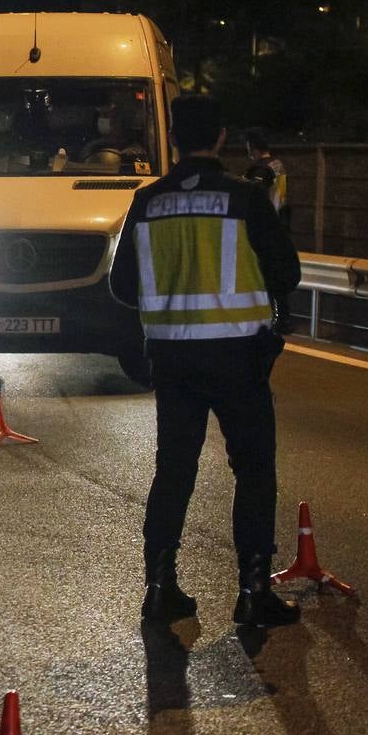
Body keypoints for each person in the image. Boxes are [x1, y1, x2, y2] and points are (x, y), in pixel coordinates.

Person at [109, 95, 302, 628]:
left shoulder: (147, 201)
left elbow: (122, 285)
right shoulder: (244, 197)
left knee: (174, 471)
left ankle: (159, 587)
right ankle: (253, 590)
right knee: (254, 472)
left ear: (171, 140)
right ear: (220, 137)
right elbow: (286, 273)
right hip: (240, 358)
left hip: (173, 361)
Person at [243, 130, 291, 231]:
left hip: (266, 225)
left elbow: (254, 199)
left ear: (252, 148)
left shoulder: (260, 170)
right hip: (279, 220)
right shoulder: (277, 164)